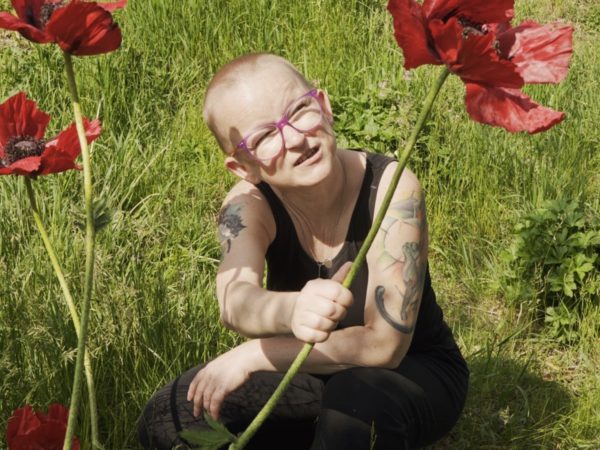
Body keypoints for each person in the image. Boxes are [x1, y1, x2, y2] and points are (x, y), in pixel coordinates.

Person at [138, 53, 469, 450]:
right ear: (243, 167)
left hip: (409, 371)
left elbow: (384, 346)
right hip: (307, 367)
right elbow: (234, 301)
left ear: (324, 106)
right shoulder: (246, 206)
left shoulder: (393, 189)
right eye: (263, 137)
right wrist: (292, 309)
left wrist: (251, 357)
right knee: (169, 416)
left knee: (353, 406)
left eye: (299, 110)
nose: (294, 138)